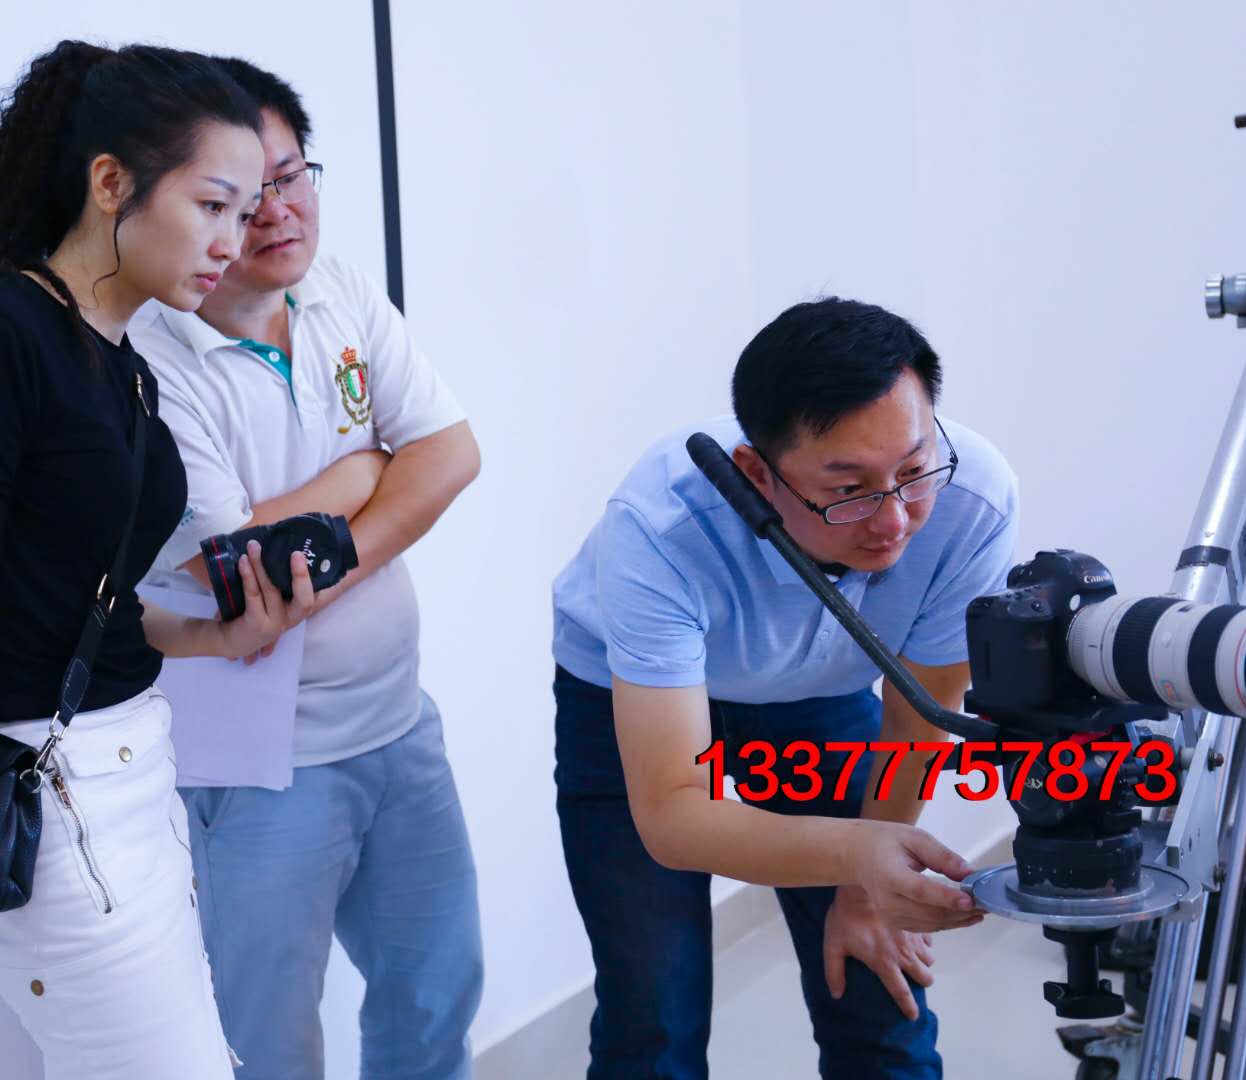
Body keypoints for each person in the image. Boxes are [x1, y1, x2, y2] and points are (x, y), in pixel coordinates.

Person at [552, 297, 1019, 1079]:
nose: (895, 520)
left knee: (880, 989)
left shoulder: (973, 499)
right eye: (850, 489)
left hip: (819, 697)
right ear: (757, 474)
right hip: (625, 701)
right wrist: (859, 855)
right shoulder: (661, 525)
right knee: (652, 1011)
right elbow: (672, 816)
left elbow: (919, 715)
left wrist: (864, 893)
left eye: (912, 471)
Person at [131, 57, 484, 1080]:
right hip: (260, 764)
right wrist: (366, 469)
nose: (277, 212)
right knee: (266, 1040)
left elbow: (452, 453)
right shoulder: (150, 356)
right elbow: (227, 569)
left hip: (398, 723)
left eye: (290, 178)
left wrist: (327, 535)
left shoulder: (337, 289)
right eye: (240, 197)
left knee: (435, 999)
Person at [0, 40, 314, 1079]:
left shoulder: (124, 362)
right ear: (110, 183)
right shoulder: (15, 331)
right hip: (51, 795)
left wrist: (217, 635)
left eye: (249, 208)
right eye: (213, 204)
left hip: (127, 773)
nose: (236, 237)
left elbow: (77, 600)